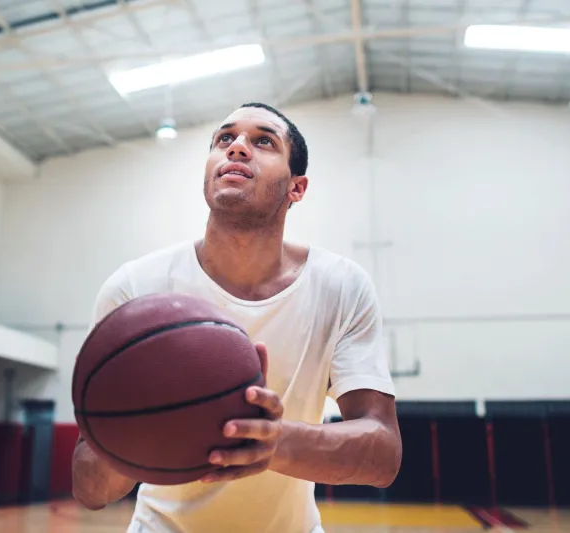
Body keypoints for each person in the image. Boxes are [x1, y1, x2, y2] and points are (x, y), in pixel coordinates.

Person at [72, 102, 402, 533]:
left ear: (297, 188)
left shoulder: (341, 285)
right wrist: (136, 432)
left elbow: (383, 454)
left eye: (263, 141)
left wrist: (274, 441)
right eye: (224, 139)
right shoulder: (136, 287)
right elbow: (89, 489)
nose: (237, 147)